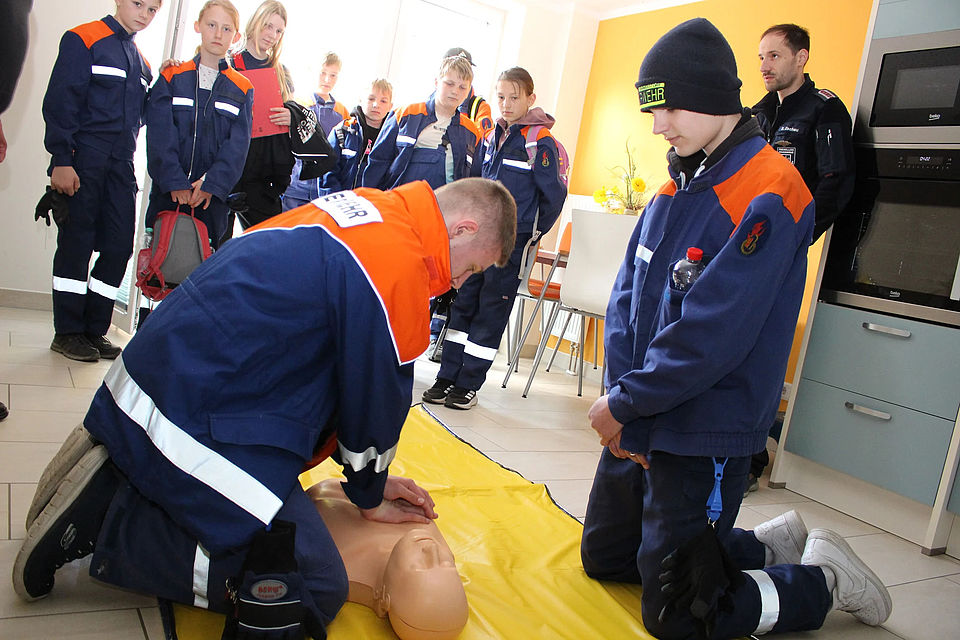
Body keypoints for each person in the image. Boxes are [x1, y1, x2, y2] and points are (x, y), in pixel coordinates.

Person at [13, 177, 516, 640]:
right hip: (193, 409)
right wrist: (370, 495)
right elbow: (376, 407)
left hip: (163, 375)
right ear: (461, 227)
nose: (459, 283)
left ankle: (125, 466)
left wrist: (366, 483)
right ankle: (113, 519)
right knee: (312, 585)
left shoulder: (371, 209)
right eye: (470, 266)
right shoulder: (399, 266)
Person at [579, 18, 891, 639]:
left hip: (703, 430)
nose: (657, 126)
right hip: (646, 413)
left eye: (667, 109)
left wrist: (629, 402)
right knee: (606, 560)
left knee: (679, 616)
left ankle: (821, 579)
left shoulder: (773, 191)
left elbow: (714, 331)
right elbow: (625, 302)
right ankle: (764, 542)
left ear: (714, 100)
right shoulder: (672, 187)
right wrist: (625, 404)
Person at [747, 22, 856, 493]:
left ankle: (748, 463)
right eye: (762, 58)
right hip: (742, 245)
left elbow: (836, 183)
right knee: (732, 346)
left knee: (759, 354)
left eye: (774, 56)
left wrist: (799, 236)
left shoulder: (824, 109)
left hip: (784, 252)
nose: (766, 66)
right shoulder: (754, 114)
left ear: (801, 57)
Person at [423, 67, 566, 409]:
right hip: (478, 241)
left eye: (514, 97)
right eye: (500, 96)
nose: (506, 103)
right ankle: (447, 376)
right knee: (464, 304)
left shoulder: (539, 142)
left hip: (510, 245)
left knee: (491, 310)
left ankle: (468, 383)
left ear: (531, 99)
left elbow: (554, 197)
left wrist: (530, 233)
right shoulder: (491, 136)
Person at [42, 0, 162, 363]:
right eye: (138, 3)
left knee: (118, 247)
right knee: (76, 245)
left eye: (153, 9)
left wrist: (165, 78)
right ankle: (67, 332)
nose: (144, 13)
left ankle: (94, 329)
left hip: (121, 165)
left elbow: (143, 114)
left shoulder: (143, 62)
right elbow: (61, 103)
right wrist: (61, 160)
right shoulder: (83, 39)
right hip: (84, 159)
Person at [144, 0, 253, 251]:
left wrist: (210, 184)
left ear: (235, 36)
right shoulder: (172, 76)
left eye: (226, 29)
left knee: (201, 270)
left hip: (210, 200)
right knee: (162, 266)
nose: (218, 34)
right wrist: (175, 182)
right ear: (198, 26)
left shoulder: (242, 88)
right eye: (212, 25)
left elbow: (237, 148)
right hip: (168, 193)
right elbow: (160, 135)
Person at [307, 479, 468, 640]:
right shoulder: (427, 537)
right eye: (447, 564)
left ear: (384, 600)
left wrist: (369, 484)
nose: (432, 549)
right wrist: (373, 483)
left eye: (420, 565)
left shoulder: (332, 561)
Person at [360, 54, 483, 191]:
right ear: (436, 82)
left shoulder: (472, 132)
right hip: (399, 202)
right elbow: (378, 161)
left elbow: (474, 180)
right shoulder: (405, 115)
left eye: (462, 87)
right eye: (449, 84)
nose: (455, 91)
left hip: (443, 207)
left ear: (469, 91)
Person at [228, 0, 294, 232]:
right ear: (256, 22)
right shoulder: (227, 63)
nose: (272, 35)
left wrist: (290, 116)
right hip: (228, 168)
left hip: (264, 175)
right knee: (216, 248)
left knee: (266, 244)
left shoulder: (281, 71)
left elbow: (294, 115)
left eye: (278, 31)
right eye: (268, 26)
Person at [282, 51, 350, 210]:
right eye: (323, 73)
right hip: (295, 188)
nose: (327, 80)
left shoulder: (343, 113)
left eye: (333, 75)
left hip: (324, 193)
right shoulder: (297, 105)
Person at [322, 78, 394, 194]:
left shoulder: (394, 139)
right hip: (341, 204)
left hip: (375, 205)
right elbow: (327, 172)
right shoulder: (342, 131)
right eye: (371, 99)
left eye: (383, 101)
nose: (376, 105)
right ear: (360, 100)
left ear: (390, 106)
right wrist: (337, 202)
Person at [443, 47, 494, 137]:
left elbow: (481, 138)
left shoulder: (480, 107)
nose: (461, 73)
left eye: (466, 68)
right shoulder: (427, 106)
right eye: (455, 67)